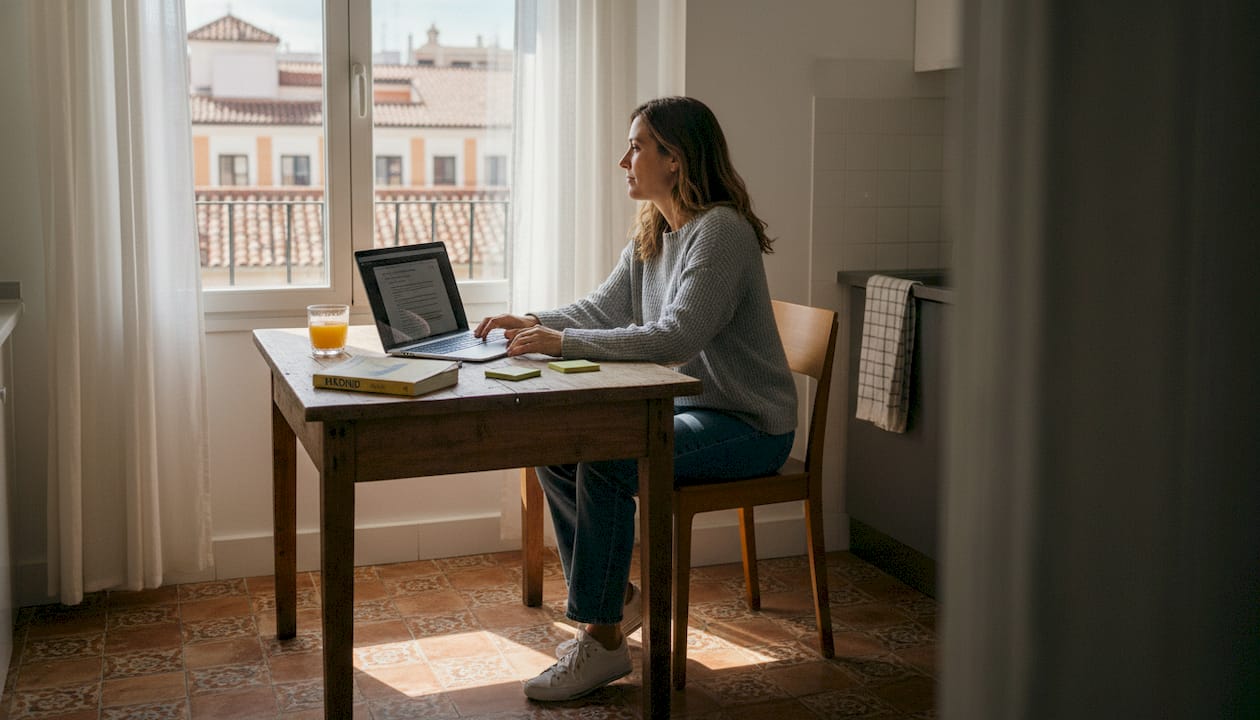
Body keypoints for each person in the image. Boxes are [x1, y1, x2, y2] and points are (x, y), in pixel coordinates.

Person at [474, 96, 798, 702]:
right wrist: (535, 321)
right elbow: (605, 308)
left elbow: (676, 337)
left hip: (750, 423)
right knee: (558, 444)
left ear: (674, 159)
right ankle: (615, 599)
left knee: (610, 458)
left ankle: (601, 643)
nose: (624, 159)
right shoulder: (659, 229)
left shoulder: (720, 232)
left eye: (637, 146)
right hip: (695, 408)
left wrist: (561, 340)